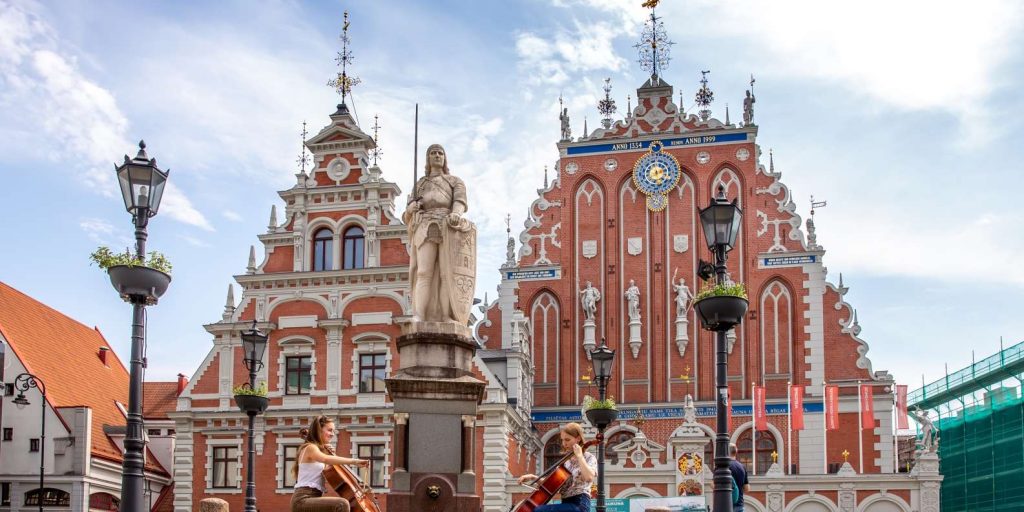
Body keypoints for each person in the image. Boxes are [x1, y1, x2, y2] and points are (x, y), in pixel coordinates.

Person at [403, 144, 475, 325]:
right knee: (424, 272)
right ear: (428, 158)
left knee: (446, 274)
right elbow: (406, 215)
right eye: (433, 153)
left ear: (445, 158)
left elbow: (460, 202)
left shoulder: (454, 181)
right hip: (425, 225)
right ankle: (419, 315)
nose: (437, 155)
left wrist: (456, 213)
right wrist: (411, 208)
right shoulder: (420, 184)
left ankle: (445, 316)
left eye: (440, 153)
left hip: (448, 226)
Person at [291, 415, 369, 512]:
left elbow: (329, 471)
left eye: (333, 431)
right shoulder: (310, 447)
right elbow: (325, 459)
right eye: (329, 430)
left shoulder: (318, 451)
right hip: (302, 499)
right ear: (319, 430)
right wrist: (355, 461)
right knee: (342, 504)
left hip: (314, 497)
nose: (332, 434)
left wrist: (329, 453)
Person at [515, 422, 597, 512]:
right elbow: (551, 484)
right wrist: (533, 477)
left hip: (580, 504)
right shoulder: (566, 463)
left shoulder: (589, 457)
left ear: (578, 438)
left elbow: (589, 477)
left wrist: (580, 456)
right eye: (562, 440)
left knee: (539, 510)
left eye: (567, 440)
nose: (564, 444)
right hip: (566, 503)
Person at [729, 443, 750, 512]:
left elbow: (713, 485)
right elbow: (747, 488)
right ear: (736, 452)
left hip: (726, 504)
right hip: (739, 505)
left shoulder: (722, 465)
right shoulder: (742, 467)